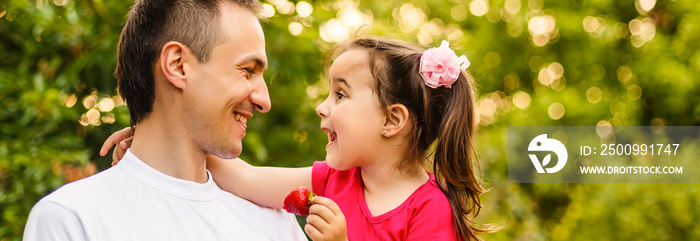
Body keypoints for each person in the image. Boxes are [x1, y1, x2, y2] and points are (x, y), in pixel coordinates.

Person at [105, 37, 492, 240]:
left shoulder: (429, 212)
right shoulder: (329, 181)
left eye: (340, 95)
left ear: (392, 120)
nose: (322, 107)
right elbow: (244, 178)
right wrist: (158, 131)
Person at [23, 0, 307, 240]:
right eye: (247, 70)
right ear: (177, 65)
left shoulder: (275, 223)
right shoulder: (72, 219)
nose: (264, 101)